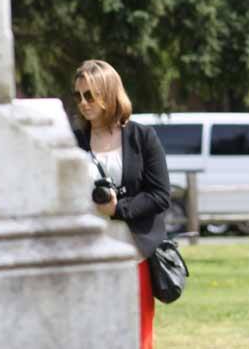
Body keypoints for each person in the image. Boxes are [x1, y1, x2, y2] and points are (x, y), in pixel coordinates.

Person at [71, 59, 170, 349]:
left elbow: (160, 194)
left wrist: (118, 209)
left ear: (109, 92)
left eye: (90, 95)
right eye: (78, 96)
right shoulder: (73, 141)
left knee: (136, 339)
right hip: (86, 254)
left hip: (132, 254)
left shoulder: (142, 137)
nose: (83, 103)